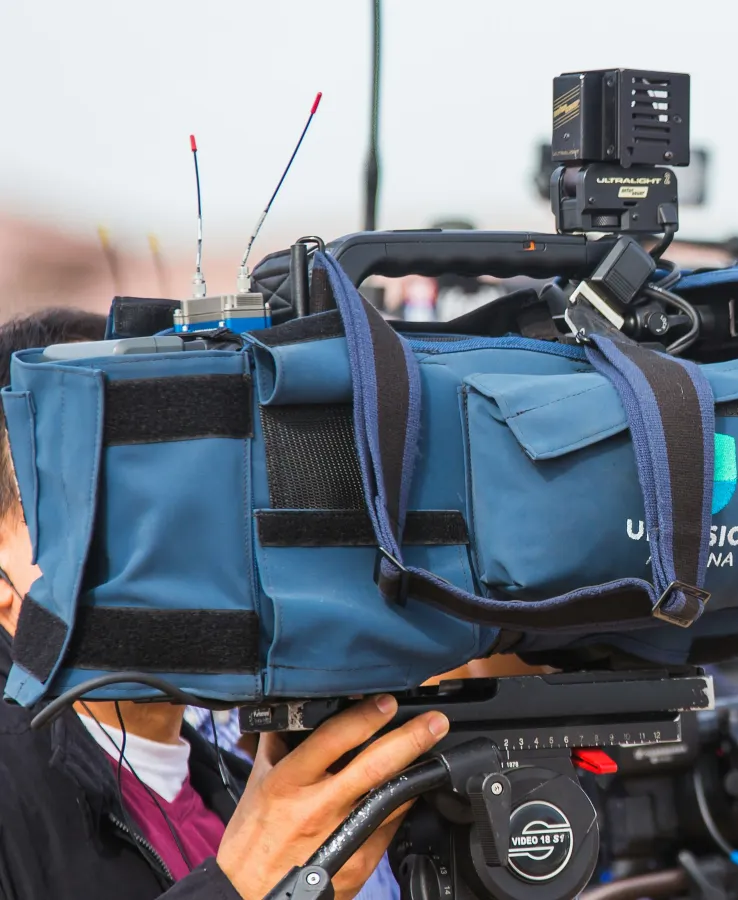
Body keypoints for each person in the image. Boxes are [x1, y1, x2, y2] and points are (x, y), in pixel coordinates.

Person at [0, 308, 449, 900]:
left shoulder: (251, 787)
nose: (162, 534)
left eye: (191, 480)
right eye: (97, 500)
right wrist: (240, 887)